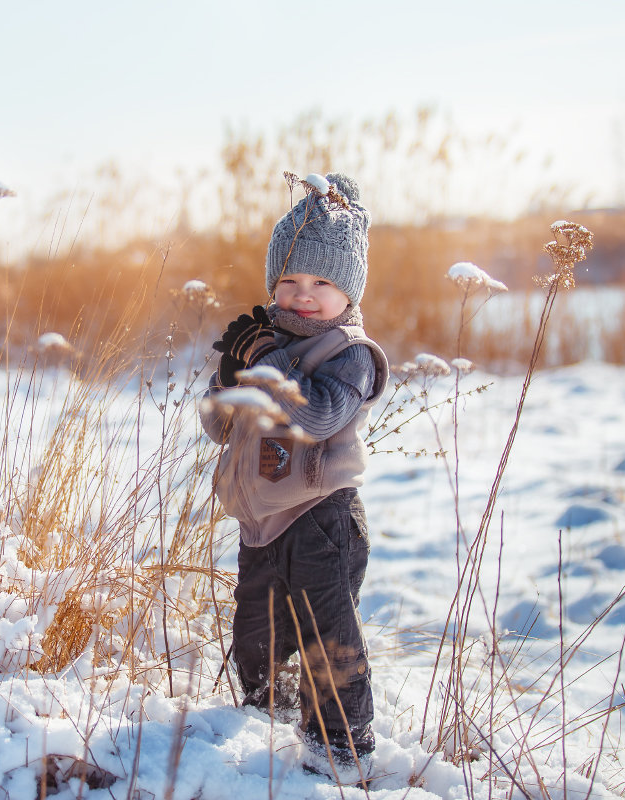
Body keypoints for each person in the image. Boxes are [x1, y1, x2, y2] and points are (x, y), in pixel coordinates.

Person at [199, 172, 389, 783]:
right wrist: (230, 377)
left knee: (324, 634)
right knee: (256, 634)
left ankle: (340, 747)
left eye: (321, 283)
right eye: (288, 282)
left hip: (321, 521)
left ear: (349, 290)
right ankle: (265, 718)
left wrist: (266, 362)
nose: (302, 294)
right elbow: (219, 427)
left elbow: (319, 414)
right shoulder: (268, 342)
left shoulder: (350, 353)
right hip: (260, 527)